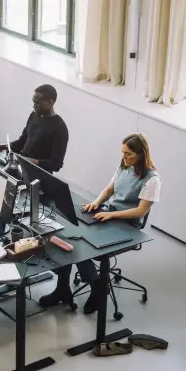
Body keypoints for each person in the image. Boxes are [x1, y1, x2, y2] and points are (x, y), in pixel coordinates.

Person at [38, 134, 161, 314]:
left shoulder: (152, 180)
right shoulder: (124, 166)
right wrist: (96, 203)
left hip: (127, 225)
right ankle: (62, 288)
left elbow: (140, 211)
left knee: (81, 244)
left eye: (128, 154)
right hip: (108, 214)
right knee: (66, 234)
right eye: (123, 153)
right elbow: (110, 189)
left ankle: (97, 287)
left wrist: (111, 214)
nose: (124, 157)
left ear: (141, 154)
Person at [0, 84, 68, 173]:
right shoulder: (34, 115)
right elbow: (20, 143)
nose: (34, 106)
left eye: (37, 103)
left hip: (38, 177)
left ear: (50, 103)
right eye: (33, 102)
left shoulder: (60, 128)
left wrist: (26, 160)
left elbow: (56, 164)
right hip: (22, 167)